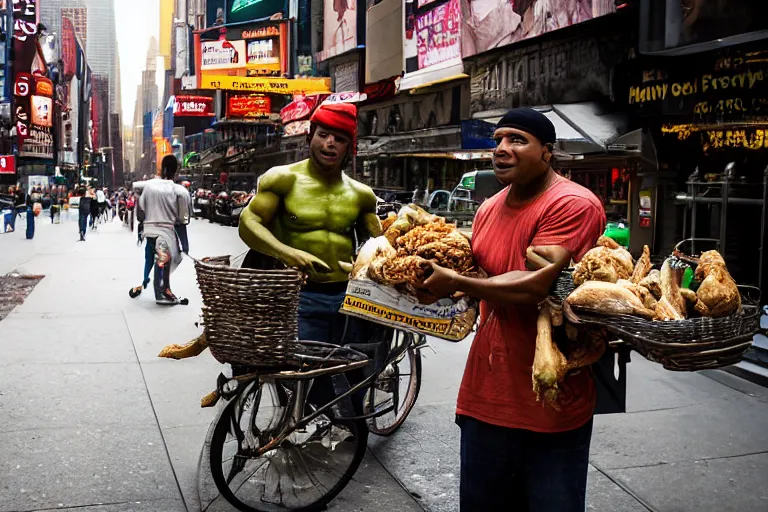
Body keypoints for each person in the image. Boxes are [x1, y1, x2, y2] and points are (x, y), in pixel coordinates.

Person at [420, 108, 606, 512]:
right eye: (499, 139)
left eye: (517, 140)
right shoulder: (488, 208)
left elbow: (536, 286)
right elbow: (485, 277)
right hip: (485, 395)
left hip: (550, 400)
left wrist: (456, 282)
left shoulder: (572, 204)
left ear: (547, 152)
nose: (502, 149)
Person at [137, 155, 189, 305]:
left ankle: (163, 289)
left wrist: (143, 227)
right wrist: (184, 244)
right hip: (165, 231)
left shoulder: (148, 186)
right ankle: (162, 293)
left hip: (149, 230)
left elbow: (141, 211)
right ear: (176, 171)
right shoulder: (179, 191)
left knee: (161, 259)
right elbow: (181, 221)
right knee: (164, 260)